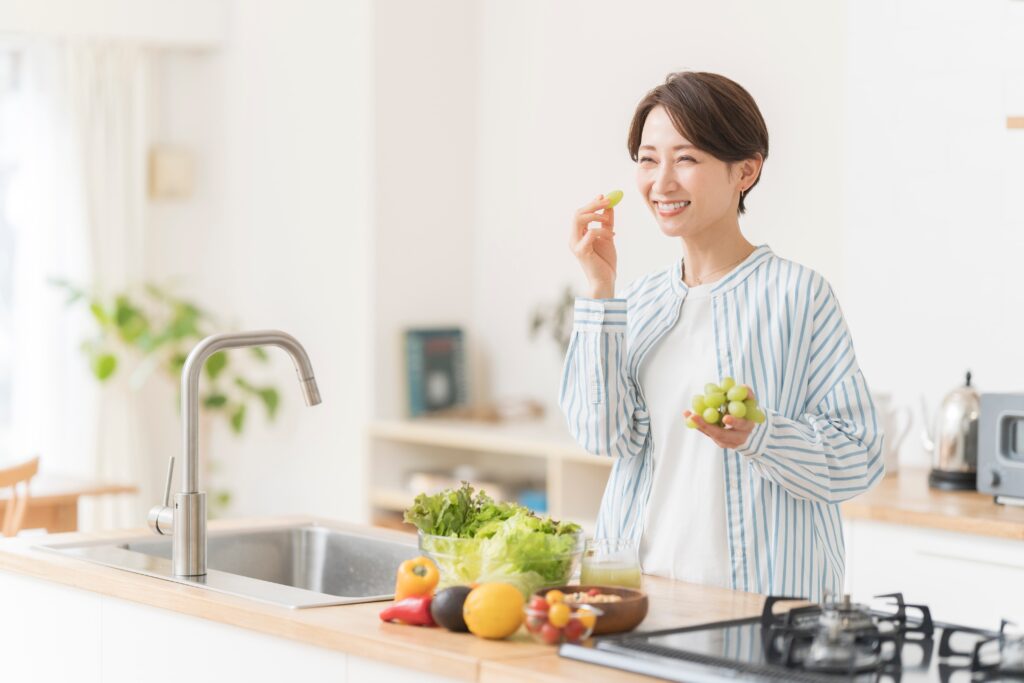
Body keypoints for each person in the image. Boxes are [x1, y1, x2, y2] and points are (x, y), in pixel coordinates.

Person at [559, 71, 883, 601]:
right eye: (647, 159)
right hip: (641, 594)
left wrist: (761, 435)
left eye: (686, 158)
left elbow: (858, 457)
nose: (661, 182)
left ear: (746, 171)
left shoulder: (796, 296)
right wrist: (600, 291)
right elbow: (602, 436)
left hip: (765, 603)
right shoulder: (635, 302)